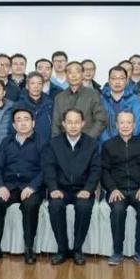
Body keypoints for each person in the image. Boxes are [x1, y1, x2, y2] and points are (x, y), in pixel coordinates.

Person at [0, 108, 46, 266]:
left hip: (31, 187)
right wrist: (0, 186)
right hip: (9, 186)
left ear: (33, 123)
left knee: (30, 205)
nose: (23, 123)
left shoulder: (42, 142)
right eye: (19, 120)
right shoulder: (6, 142)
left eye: (26, 119)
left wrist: (32, 187)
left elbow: (46, 169)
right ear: (13, 125)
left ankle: (29, 248)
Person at [44, 109, 101, 266]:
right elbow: (49, 168)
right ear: (63, 124)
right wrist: (53, 188)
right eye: (69, 122)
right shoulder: (54, 143)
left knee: (83, 207)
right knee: (55, 206)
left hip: (83, 189)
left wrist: (88, 189)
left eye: (77, 122)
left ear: (83, 123)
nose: (73, 126)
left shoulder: (92, 144)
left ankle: (77, 249)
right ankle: (62, 250)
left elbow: (96, 170)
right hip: (60, 189)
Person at [102, 111, 140, 266]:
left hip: (139, 190)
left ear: (134, 125)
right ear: (116, 125)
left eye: (129, 122)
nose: (125, 126)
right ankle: (117, 252)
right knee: (118, 210)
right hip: (117, 190)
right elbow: (104, 171)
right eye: (122, 122)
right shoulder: (108, 145)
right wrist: (112, 188)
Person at [51, 61, 108, 139]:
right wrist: (58, 143)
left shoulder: (93, 94)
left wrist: (87, 139)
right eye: (70, 72)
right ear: (66, 75)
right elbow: (56, 125)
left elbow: (101, 120)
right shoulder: (59, 97)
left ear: (83, 74)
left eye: (77, 72)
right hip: (64, 143)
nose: (74, 75)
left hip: (88, 141)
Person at [99, 66, 140, 144]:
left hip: (128, 144)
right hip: (105, 144)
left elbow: (139, 123)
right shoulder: (101, 99)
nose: (117, 82)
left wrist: (125, 140)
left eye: (121, 78)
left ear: (126, 80)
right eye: (114, 78)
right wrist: (109, 143)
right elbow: (99, 123)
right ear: (109, 81)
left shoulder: (134, 99)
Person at [13, 71, 54, 144]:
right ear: (27, 86)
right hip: (24, 146)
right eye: (32, 83)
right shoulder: (18, 106)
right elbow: (11, 130)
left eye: (39, 83)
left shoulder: (50, 104)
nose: (36, 86)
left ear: (43, 85)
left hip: (46, 146)